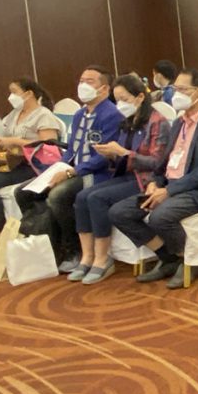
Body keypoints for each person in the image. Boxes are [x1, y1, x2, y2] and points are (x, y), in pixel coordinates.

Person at [109, 69, 198, 290]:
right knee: (120, 213)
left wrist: (169, 191)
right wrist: (154, 182)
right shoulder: (178, 123)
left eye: (183, 89)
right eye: (175, 89)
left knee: (160, 216)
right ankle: (168, 258)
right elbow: (163, 163)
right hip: (169, 185)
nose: (177, 94)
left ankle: (190, 260)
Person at [15, 66, 124, 273]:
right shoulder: (80, 114)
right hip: (72, 169)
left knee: (58, 195)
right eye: (81, 80)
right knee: (23, 192)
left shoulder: (112, 115)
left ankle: (74, 249)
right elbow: (71, 150)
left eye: (89, 81)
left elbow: (104, 156)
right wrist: (59, 167)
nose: (83, 85)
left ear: (104, 88)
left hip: (97, 174)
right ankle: (47, 244)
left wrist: (70, 172)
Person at [69, 74, 170, 285]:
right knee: (82, 197)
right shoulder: (128, 120)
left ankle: (102, 259)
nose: (120, 105)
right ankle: (87, 256)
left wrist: (123, 153)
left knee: (97, 198)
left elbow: (157, 163)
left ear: (140, 97)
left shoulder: (157, 122)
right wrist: (111, 154)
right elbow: (122, 158)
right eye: (117, 100)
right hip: (127, 174)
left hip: (147, 179)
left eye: (124, 99)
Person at [0, 78, 60, 251]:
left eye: (14, 92)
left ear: (28, 93)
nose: (11, 96)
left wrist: (14, 141)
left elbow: (49, 145)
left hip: (32, 165)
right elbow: (3, 135)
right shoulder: (14, 114)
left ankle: (0, 233)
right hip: (10, 162)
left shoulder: (43, 115)